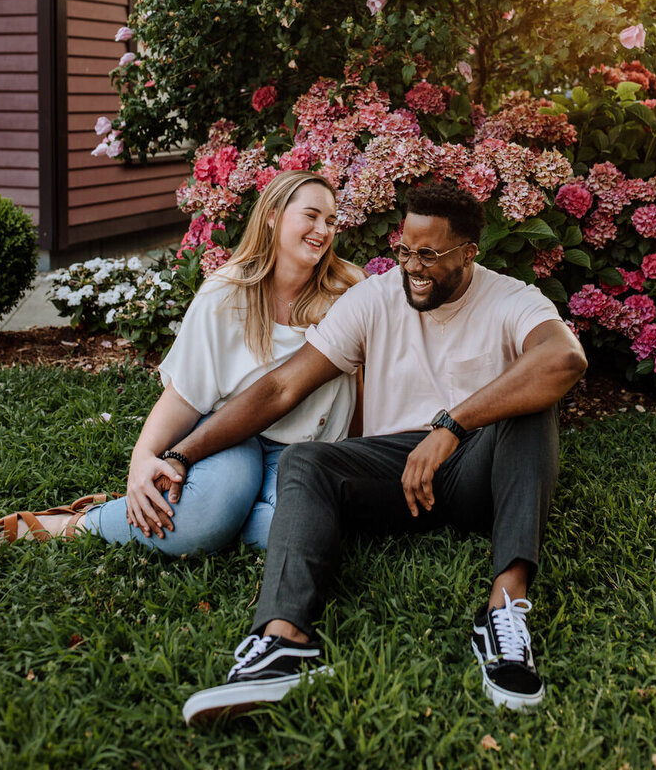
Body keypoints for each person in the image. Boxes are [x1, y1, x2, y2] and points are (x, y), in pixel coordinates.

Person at [153, 182, 587, 723]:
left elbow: (564, 359)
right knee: (305, 461)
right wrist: (181, 453)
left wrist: (451, 425)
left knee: (531, 404)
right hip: (393, 480)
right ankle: (284, 645)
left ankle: (504, 614)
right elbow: (281, 388)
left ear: (469, 252)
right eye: (405, 250)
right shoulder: (375, 298)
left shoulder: (510, 297)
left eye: (429, 254)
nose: (413, 266)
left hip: (478, 472)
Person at [0, 171, 363, 554]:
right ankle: (74, 523)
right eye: (311, 215)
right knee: (208, 520)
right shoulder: (226, 293)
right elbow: (184, 394)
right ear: (272, 214)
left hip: (306, 452)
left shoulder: (349, 290)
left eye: (331, 221)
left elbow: (365, 383)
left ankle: (214, 510)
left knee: (295, 529)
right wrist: (142, 459)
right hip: (230, 438)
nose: (323, 230)